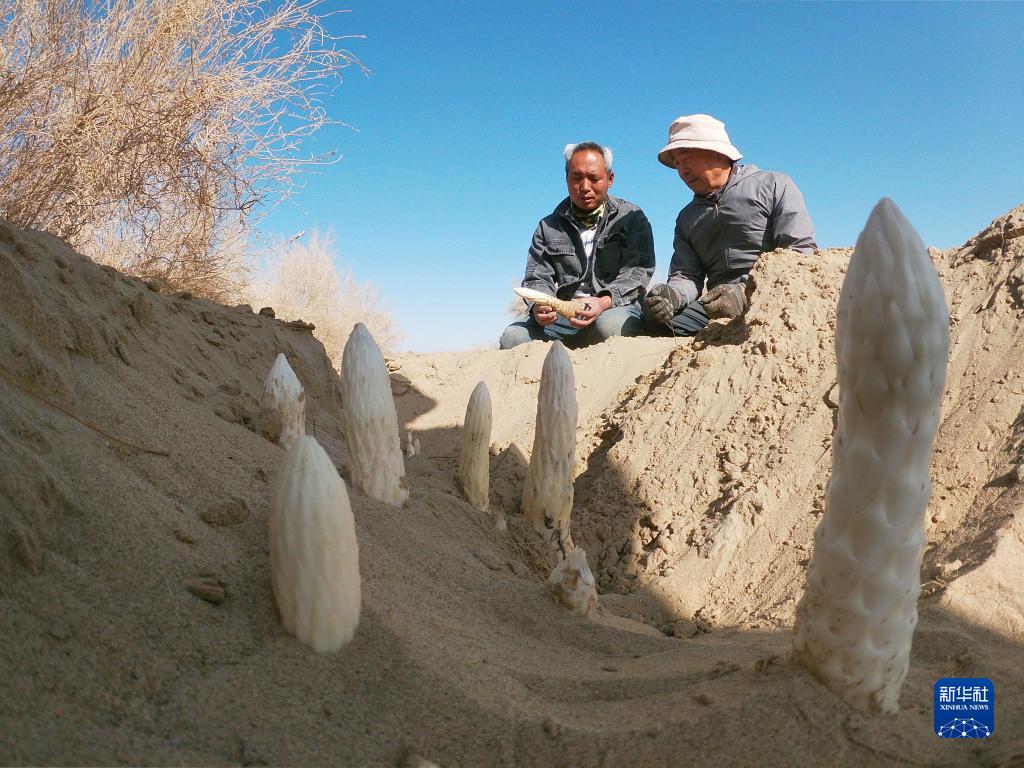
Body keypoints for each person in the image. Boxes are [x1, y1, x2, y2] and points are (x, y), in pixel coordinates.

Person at [643, 114, 817, 334]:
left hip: (774, 297)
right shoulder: (686, 218)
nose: (682, 171)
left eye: (686, 159)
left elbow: (800, 254)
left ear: (717, 152)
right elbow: (686, 275)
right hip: (716, 305)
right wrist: (674, 296)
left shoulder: (774, 185)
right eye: (677, 164)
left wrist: (745, 291)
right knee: (655, 325)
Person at [499, 141, 655, 349]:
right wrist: (541, 305)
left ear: (610, 179)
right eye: (576, 178)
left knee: (612, 327)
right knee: (513, 338)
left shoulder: (632, 218)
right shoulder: (548, 226)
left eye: (594, 178)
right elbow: (537, 277)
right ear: (566, 179)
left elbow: (638, 271)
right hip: (563, 318)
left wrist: (603, 301)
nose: (585, 187)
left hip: (615, 309)